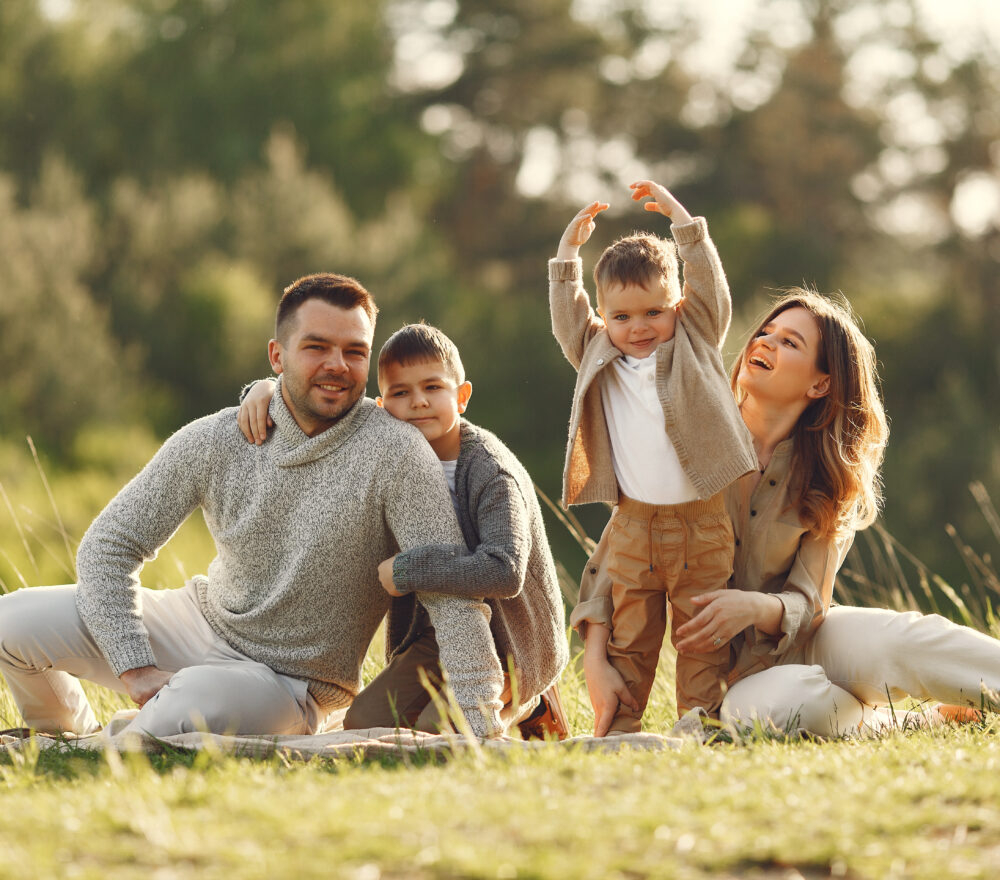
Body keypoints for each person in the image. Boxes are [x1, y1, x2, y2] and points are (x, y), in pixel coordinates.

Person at [0, 273, 505, 739]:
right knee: (10, 621)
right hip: (196, 622)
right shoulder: (218, 437)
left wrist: (485, 731)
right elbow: (107, 546)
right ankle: (61, 738)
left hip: (289, 684)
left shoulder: (397, 453)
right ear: (277, 355)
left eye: (354, 351)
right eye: (316, 347)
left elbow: (451, 594)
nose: (337, 365)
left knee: (192, 704)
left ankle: (113, 744)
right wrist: (134, 666)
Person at [578, 288, 1000, 737]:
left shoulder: (828, 474)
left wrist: (755, 607)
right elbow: (620, 551)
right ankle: (907, 723)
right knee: (780, 708)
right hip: (735, 681)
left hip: (810, 640)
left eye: (790, 342)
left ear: (820, 384)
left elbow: (811, 601)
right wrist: (596, 658)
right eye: (766, 332)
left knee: (901, 638)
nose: (764, 342)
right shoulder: (685, 440)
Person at [239, 322, 571, 738]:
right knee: (364, 722)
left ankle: (530, 704)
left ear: (462, 396)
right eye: (400, 393)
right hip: (435, 635)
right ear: (382, 408)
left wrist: (410, 570)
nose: (418, 403)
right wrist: (266, 389)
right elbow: (324, 410)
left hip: (510, 642)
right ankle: (470, 698)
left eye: (433, 388)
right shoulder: (390, 458)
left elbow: (504, 570)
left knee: (442, 730)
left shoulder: (489, 471)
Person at [549, 181, 757, 733]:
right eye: (621, 317)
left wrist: (684, 225)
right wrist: (567, 256)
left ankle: (699, 720)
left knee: (701, 634)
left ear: (678, 307)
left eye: (653, 312)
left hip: (704, 522)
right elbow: (568, 318)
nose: (638, 328)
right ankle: (622, 728)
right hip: (636, 525)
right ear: (603, 316)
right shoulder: (597, 352)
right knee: (631, 635)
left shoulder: (695, 337)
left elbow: (711, 288)